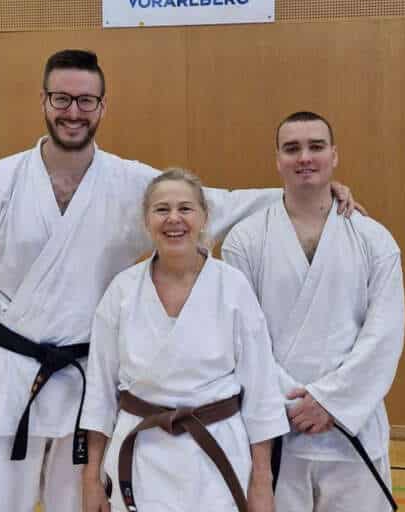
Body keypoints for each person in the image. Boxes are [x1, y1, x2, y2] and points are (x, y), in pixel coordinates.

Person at [0, 51, 357, 512]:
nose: (73, 112)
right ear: (43, 101)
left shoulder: (128, 181)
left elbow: (214, 205)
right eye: (62, 99)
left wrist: (308, 194)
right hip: (6, 376)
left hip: (84, 384)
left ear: (102, 107)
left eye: (86, 101)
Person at [222, 111, 405, 512]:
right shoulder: (245, 240)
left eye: (316, 147)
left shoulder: (374, 240)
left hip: (353, 430)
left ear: (334, 156)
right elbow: (243, 338)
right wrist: (292, 404)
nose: (304, 157)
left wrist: (331, 403)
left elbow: (384, 336)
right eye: (292, 149)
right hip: (275, 430)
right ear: (277, 161)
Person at [80, 168, 288, 512]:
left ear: (204, 217)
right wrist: (91, 479)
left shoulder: (232, 286)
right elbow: (100, 392)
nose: (173, 219)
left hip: (216, 455)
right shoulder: (122, 290)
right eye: (161, 209)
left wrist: (262, 482)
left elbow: (262, 391)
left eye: (185, 209)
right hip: (139, 457)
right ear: (146, 221)